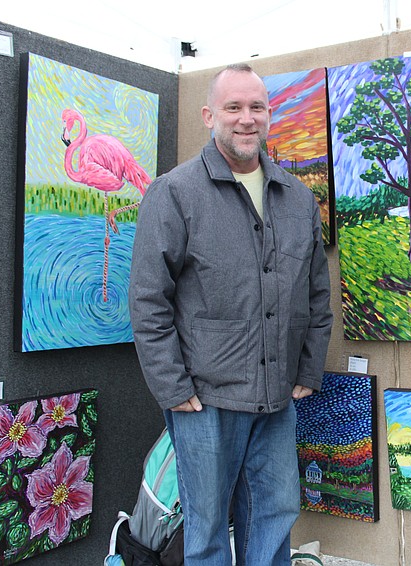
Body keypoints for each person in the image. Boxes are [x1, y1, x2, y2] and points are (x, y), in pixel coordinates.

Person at [128, 63, 333, 566]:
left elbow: (316, 293)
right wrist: (174, 389)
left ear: (270, 114)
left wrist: (307, 368)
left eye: (256, 107)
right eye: (233, 108)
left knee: (276, 514)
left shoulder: (298, 198)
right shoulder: (174, 193)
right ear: (208, 115)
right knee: (207, 527)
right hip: (205, 399)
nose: (246, 119)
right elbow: (147, 299)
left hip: (277, 395)